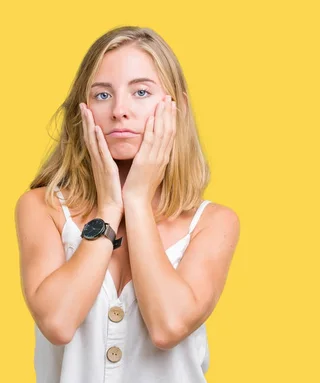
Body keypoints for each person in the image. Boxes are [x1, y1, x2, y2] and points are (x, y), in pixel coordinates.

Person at [14, 26, 241, 382]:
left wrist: (135, 201)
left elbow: (168, 326)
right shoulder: (42, 208)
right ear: (84, 109)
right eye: (103, 95)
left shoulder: (213, 223)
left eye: (141, 92)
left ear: (175, 106)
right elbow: (57, 322)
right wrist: (108, 210)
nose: (120, 110)